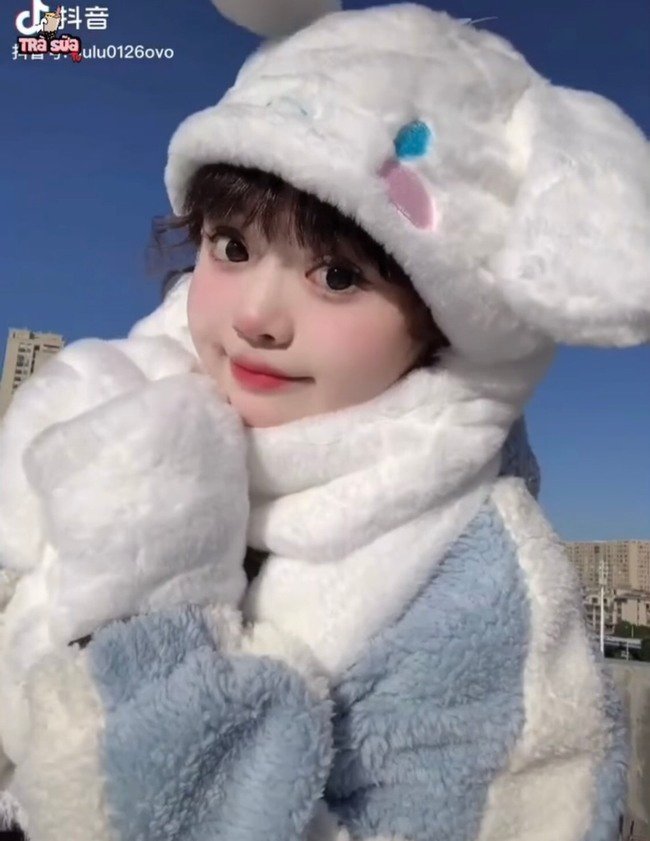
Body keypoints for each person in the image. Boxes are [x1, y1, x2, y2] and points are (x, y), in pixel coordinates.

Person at [1, 2, 649, 839]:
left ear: (444, 320)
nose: (257, 317)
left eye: (339, 276)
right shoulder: (124, 407)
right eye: (232, 247)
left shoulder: (471, 584)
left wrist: (149, 629)